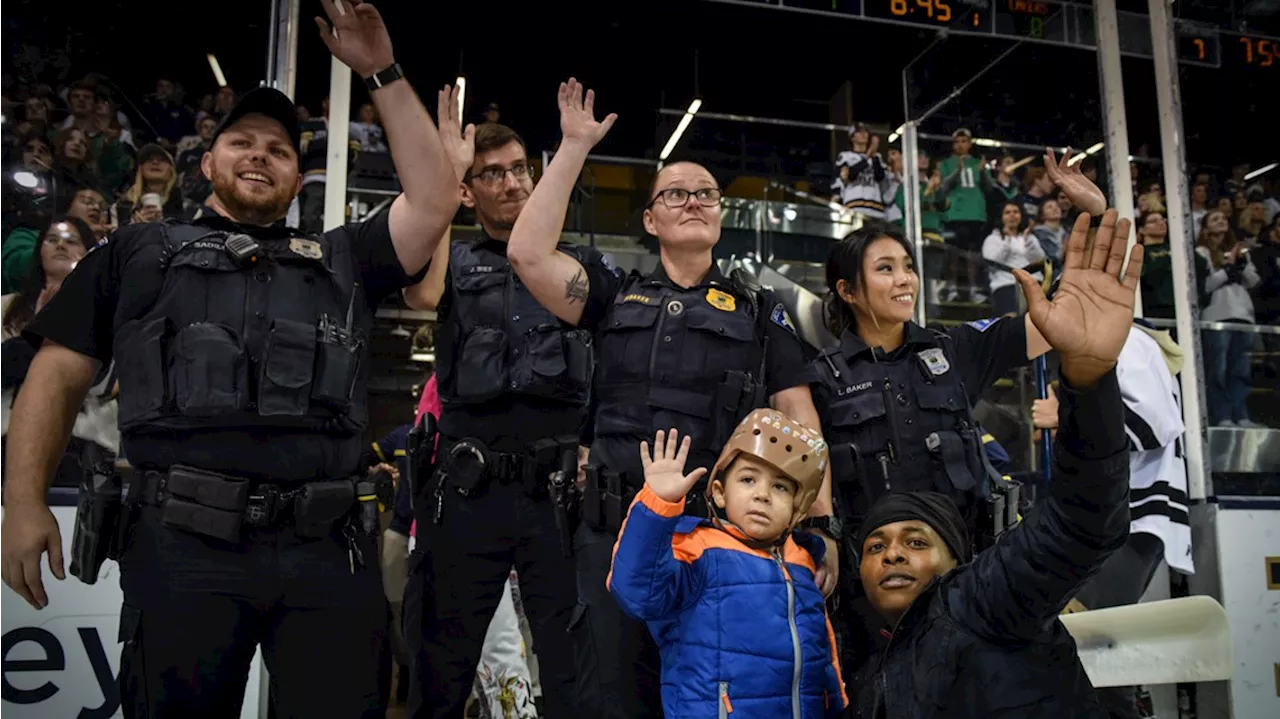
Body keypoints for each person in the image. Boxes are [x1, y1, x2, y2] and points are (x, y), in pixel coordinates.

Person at [0, 2, 461, 716]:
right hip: (182, 544)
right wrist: (24, 502)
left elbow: (433, 199)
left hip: (326, 551)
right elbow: (55, 374)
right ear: (207, 160)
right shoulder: (138, 252)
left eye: (278, 150)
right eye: (241, 141)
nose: (258, 155)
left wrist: (380, 70)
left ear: (297, 177)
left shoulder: (343, 258)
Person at [504, 78, 836, 719]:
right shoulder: (611, 293)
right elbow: (526, 250)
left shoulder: (760, 310)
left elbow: (799, 416)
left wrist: (821, 527)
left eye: (705, 194)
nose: (692, 202)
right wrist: (574, 147)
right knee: (611, 699)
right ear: (650, 218)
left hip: (721, 544)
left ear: (719, 214)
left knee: (716, 702)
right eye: (674, 194)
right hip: (614, 535)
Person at [811, 148, 1102, 677]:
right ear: (848, 291)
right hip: (870, 602)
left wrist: (1093, 216)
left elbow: (1060, 319)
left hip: (970, 584)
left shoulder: (957, 349)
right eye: (885, 270)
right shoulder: (817, 379)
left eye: (907, 267)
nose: (905, 280)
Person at [854, 207, 1145, 717]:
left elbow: (1085, 519)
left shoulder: (989, 603)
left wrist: (1089, 376)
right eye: (876, 547)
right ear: (845, 290)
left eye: (908, 265)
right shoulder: (859, 678)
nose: (893, 555)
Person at [398, 85, 608, 719]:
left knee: (573, 667)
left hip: (556, 497)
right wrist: (445, 168)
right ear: (468, 191)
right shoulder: (453, 261)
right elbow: (421, 295)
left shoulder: (581, 266)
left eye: (520, 168)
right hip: (468, 492)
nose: (512, 183)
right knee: (442, 666)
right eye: (491, 174)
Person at [609, 415, 847, 718]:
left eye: (781, 487)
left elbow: (822, 657)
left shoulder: (802, 562)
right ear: (720, 493)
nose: (762, 494)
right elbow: (638, 594)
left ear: (796, 512)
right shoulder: (698, 547)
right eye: (748, 479)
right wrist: (659, 505)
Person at [1033, 314, 1193, 719]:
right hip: (1110, 521)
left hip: (1132, 521)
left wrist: (1065, 414)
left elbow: (1156, 425)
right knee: (1095, 645)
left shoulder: (1128, 340)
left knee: (1089, 640)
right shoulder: (1102, 343)